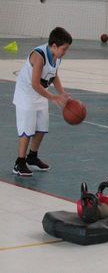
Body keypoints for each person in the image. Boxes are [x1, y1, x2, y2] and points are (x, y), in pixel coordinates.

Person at [12, 27, 72, 176]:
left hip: (39, 93)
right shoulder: (39, 56)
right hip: (26, 94)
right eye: (64, 49)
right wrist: (53, 97)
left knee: (41, 126)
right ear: (54, 46)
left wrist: (61, 92)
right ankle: (19, 162)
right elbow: (34, 84)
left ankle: (32, 157)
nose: (66, 52)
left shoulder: (57, 56)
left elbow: (54, 74)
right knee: (27, 129)